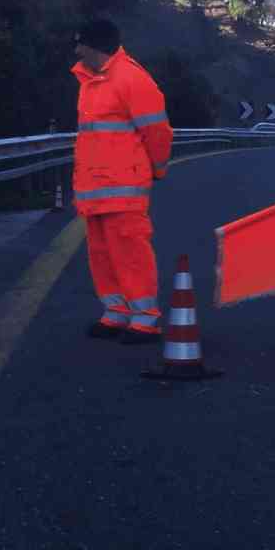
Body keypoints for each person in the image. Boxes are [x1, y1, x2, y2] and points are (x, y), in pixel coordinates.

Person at [71, 18, 173, 345]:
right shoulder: (90, 81)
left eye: (79, 43)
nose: (75, 49)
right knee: (101, 254)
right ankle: (116, 313)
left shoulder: (131, 79)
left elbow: (157, 132)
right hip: (95, 188)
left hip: (123, 187)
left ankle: (145, 318)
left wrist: (157, 169)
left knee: (129, 251)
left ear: (93, 46)